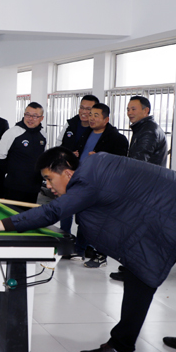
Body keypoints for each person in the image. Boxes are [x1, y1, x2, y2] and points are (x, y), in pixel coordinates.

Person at [0, 147, 176, 352]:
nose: (48, 186)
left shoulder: (87, 182)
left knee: (140, 274)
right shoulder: (94, 164)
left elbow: (53, 211)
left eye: (49, 178)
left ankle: (121, 349)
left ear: (67, 172)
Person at [74, 103, 129, 268]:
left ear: (106, 119)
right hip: (84, 181)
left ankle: (101, 255)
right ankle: (80, 250)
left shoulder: (117, 139)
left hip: (103, 186)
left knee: (99, 221)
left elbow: (121, 164)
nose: (91, 118)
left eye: (96, 115)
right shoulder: (86, 134)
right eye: (90, 114)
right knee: (83, 217)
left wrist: (101, 157)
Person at [55, 95, 99, 255]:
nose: (84, 112)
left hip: (88, 177)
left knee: (84, 214)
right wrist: (66, 154)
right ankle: (65, 244)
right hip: (67, 176)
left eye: (88, 109)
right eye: (82, 107)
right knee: (66, 211)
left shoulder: (97, 128)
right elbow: (58, 146)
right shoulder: (70, 124)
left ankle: (82, 248)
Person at [0, 102, 46, 205]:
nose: (30, 118)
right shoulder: (12, 132)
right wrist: (12, 173)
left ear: (41, 118)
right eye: (27, 115)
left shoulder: (43, 134)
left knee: (28, 213)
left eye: (35, 116)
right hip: (14, 186)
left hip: (34, 187)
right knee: (12, 213)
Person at [127, 95, 168, 166]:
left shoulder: (149, 131)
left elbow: (138, 163)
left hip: (148, 173)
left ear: (146, 110)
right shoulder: (143, 128)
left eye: (133, 109)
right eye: (128, 110)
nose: (129, 113)